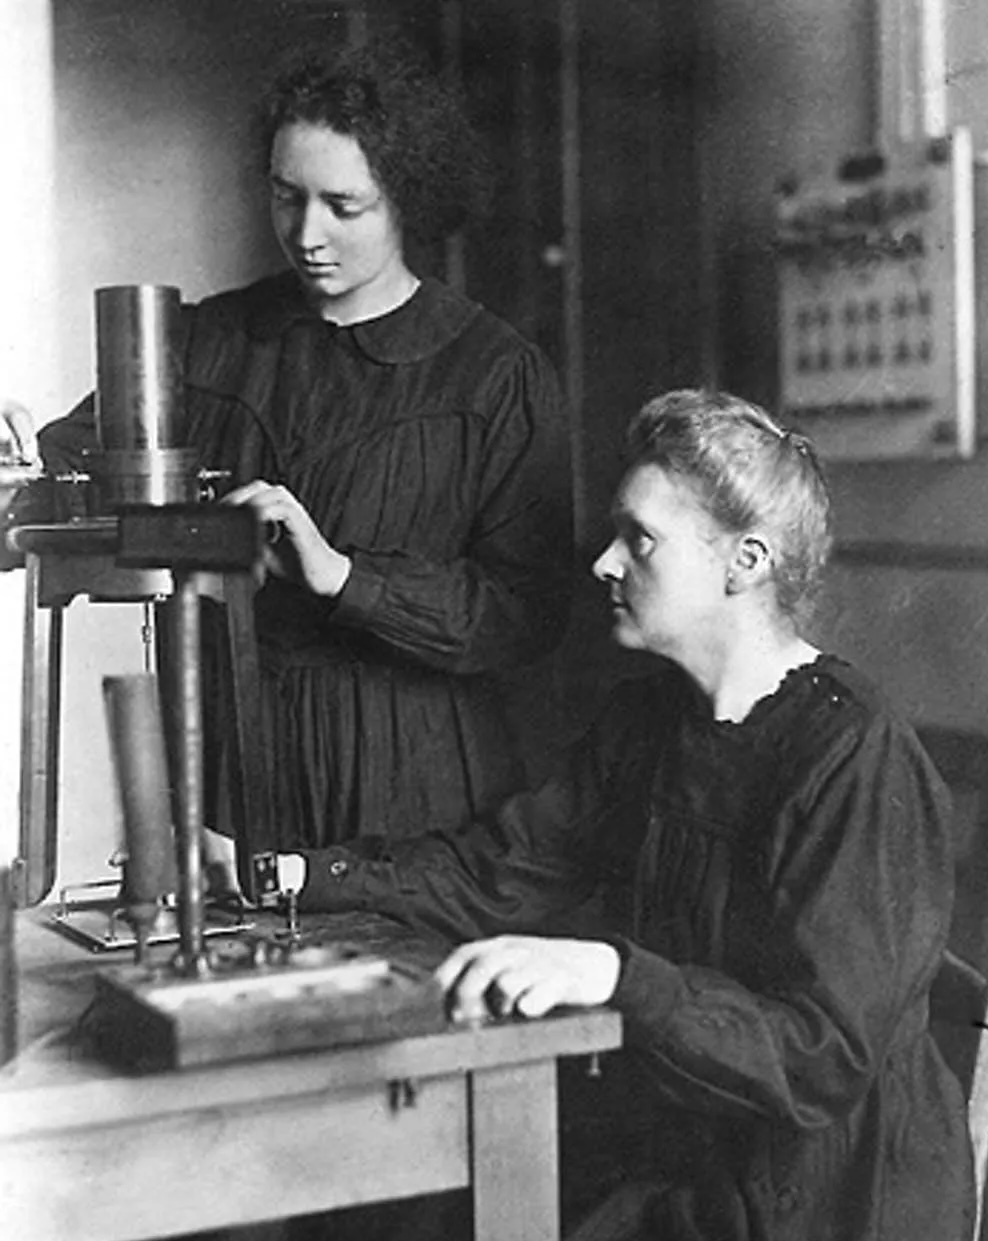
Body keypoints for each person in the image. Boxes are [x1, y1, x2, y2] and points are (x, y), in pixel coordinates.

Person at [266, 388, 974, 1241]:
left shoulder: (850, 752)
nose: (604, 562)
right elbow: (495, 871)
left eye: (638, 540)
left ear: (745, 563)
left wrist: (610, 971)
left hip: (813, 1221)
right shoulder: (649, 719)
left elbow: (820, 1057)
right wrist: (296, 874)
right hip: (684, 1161)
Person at [1, 35, 572, 850]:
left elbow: (528, 615)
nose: (306, 232)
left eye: (344, 207)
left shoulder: (493, 375)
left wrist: (345, 578)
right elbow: (42, 507)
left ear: (408, 197)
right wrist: (11, 474)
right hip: (234, 776)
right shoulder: (203, 344)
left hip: (414, 788)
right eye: (285, 196)